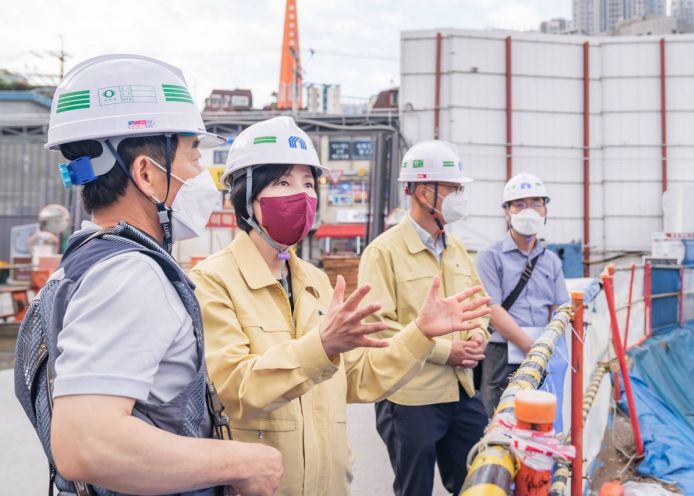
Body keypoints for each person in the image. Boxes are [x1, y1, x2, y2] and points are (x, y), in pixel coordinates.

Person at [13, 54, 283, 496]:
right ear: (146, 173)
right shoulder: (130, 274)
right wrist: (248, 460)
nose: (201, 176)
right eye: (193, 157)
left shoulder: (83, 263)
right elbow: (86, 442)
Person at [190, 117, 490, 496]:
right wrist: (323, 346)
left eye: (309, 183)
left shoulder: (316, 282)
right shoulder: (214, 282)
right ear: (246, 195)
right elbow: (236, 387)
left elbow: (359, 377)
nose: (302, 195)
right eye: (283, 182)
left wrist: (420, 334)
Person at [355, 140, 490, 496]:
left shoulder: (457, 248)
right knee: (414, 489)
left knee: (478, 481)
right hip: (409, 400)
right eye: (453, 188)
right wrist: (448, 351)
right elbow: (378, 327)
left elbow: (479, 306)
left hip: (463, 390)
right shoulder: (382, 252)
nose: (460, 195)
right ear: (420, 190)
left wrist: (478, 336)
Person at [476, 172, 570, 431]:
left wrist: (547, 349)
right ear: (507, 211)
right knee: (500, 421)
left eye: (535, 204)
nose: (528, 211)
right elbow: (492, 308)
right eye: (519, 204)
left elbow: (560, 308)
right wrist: (532, 347)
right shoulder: (490, 257)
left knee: (538, 425)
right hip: (502, 353)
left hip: (542, 349)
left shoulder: (551, 260)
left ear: (545, 210)